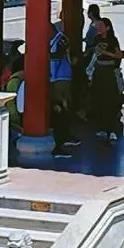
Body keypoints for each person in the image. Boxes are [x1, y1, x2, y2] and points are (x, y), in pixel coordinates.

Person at [90, 18, 124, 142]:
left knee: (110, 100)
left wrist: (105, 52)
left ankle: (112, 129)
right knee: (99, 99)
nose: (98, 28)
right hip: (98, 69)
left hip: (109, 69)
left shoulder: (113, 40)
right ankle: (101, 128)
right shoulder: (96, 38)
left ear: (107, 28)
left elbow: (119, 55)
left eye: (101, 26)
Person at [49, 22, 78, 157]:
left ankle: (65, 136)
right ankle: (62, 136)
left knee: (63, 105)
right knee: (57, 107)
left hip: (62, 76)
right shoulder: (51, 40)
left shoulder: (61, 39)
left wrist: (42, 54)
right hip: (54, 77)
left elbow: (58, 55)